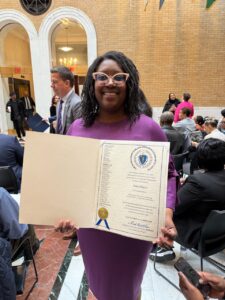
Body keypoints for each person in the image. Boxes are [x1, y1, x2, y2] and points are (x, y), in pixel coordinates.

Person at [56, 51, 177, 300]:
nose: (110, 82)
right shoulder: (77, 128)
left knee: (129, 287)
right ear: (92, 83)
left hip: (133, 230)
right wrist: (65, 212)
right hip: (93, 231)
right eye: (102, 76)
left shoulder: (148, 128)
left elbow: (169, 174)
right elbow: (69, 178)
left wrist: (166, 214)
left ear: (128, 83)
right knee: (99, 287)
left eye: (118, 77)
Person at [173, 138, 225, 249]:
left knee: (163, 210)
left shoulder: (198, 181)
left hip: (197, 236)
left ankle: (163, 248)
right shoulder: (201, 180)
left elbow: (174, 207)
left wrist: (176, 187)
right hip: (220, 233)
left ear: (200, 158)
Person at [50, 66, 81, 135]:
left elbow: (80, 134)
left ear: (67, 83)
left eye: (54, 82)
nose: (51, 85)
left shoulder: (77, 103)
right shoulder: (59, 103)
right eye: (51, 82)